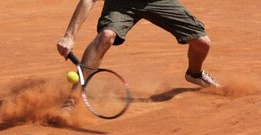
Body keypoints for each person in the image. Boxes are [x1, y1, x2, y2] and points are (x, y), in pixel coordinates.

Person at [57, 0, 220, 94]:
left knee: (202, 42)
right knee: (106, 36)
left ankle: (194, 74)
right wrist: (69, 36)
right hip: (121, 4)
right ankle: (75, 96)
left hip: (157, 1)